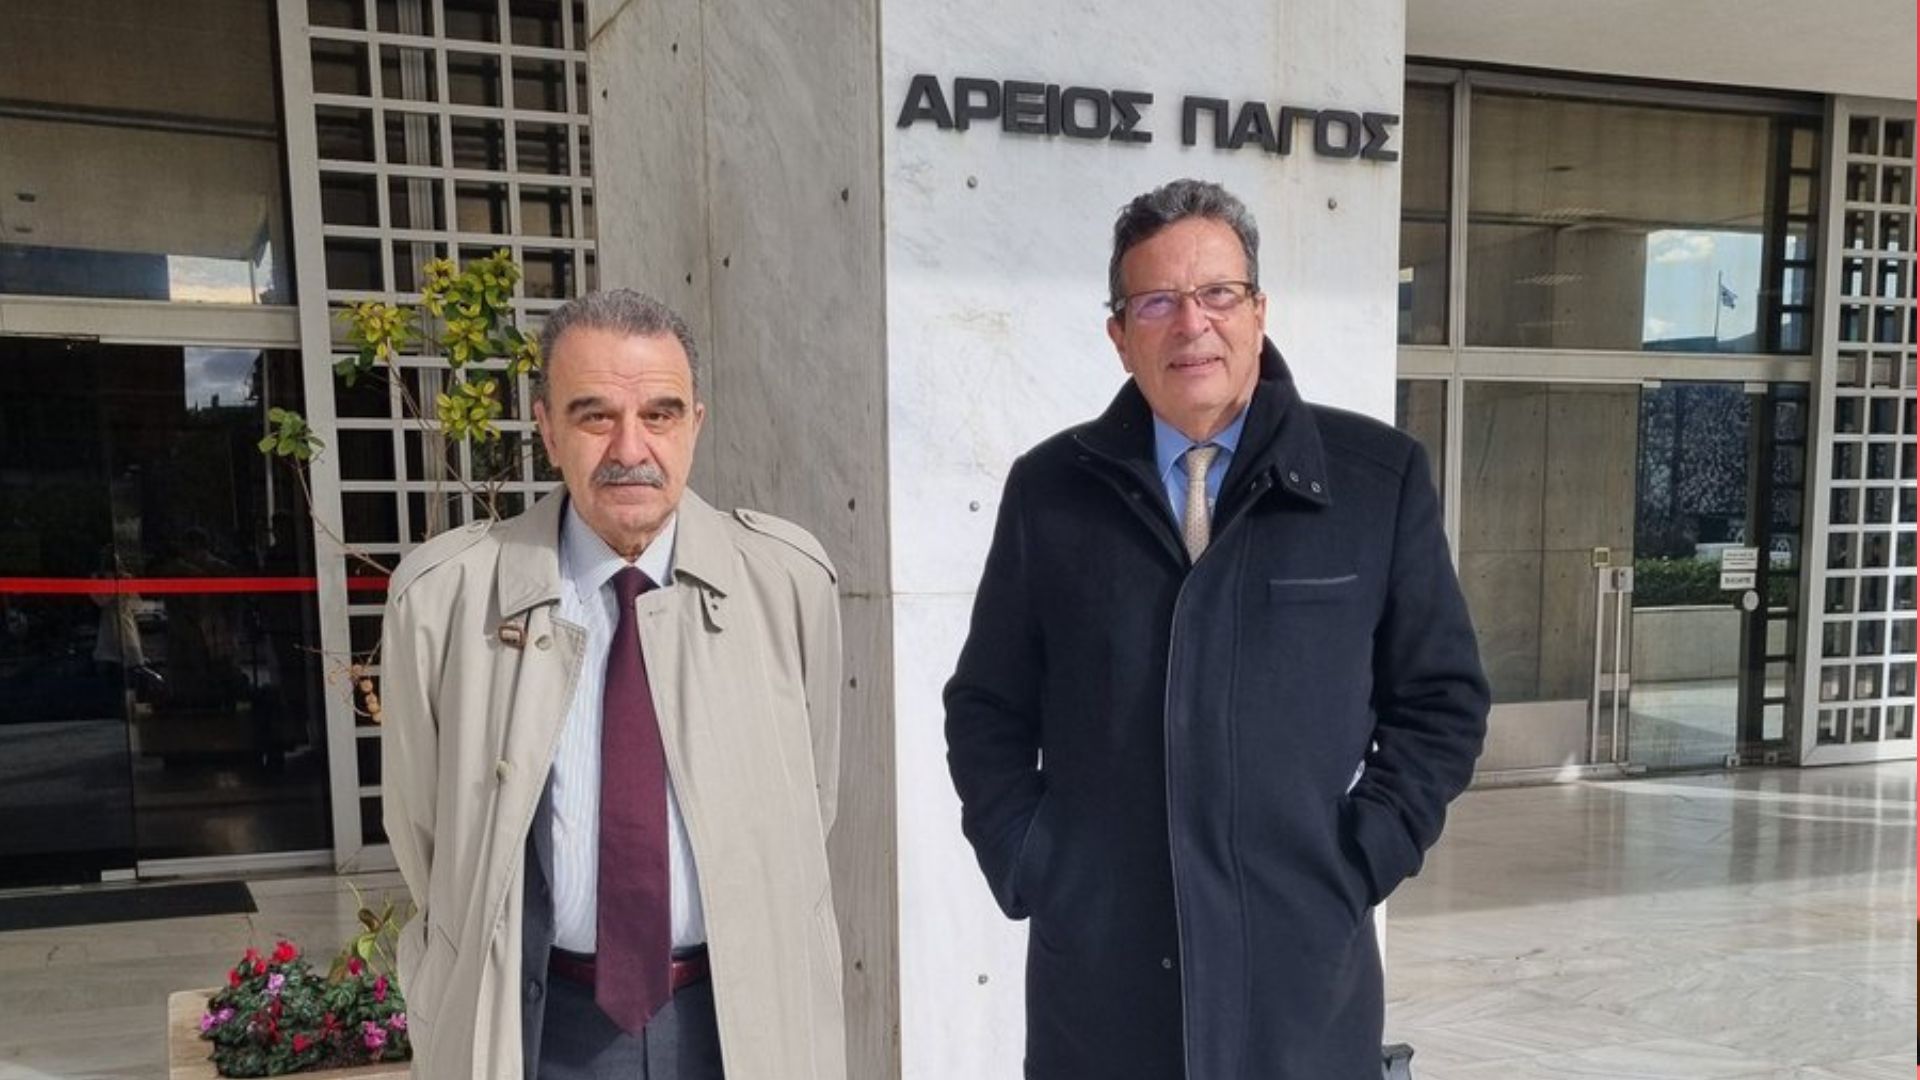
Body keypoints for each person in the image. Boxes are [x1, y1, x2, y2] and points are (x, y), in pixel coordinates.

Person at [944, 179, 1489, 1079]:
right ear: (1119, 335)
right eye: (1157, 301)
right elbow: (987, 705)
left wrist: (1361, 857)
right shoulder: (1051, 492)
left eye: (1218, 294)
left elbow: (1442, 701)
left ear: (1258, 313)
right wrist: (1033, 858)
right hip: (1104, 988)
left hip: (1299, 984)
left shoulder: (1375, 480)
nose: (1191, 323)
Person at [381, 290, 847, 1080]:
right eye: (595, 416)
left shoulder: (788, 583)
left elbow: (813, 804)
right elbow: (426, 835)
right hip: (533, 1031)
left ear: (695, 424)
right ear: (546, 428)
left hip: (740, 1026)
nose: (631, 448)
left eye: (660, 415)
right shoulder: (443, 599)